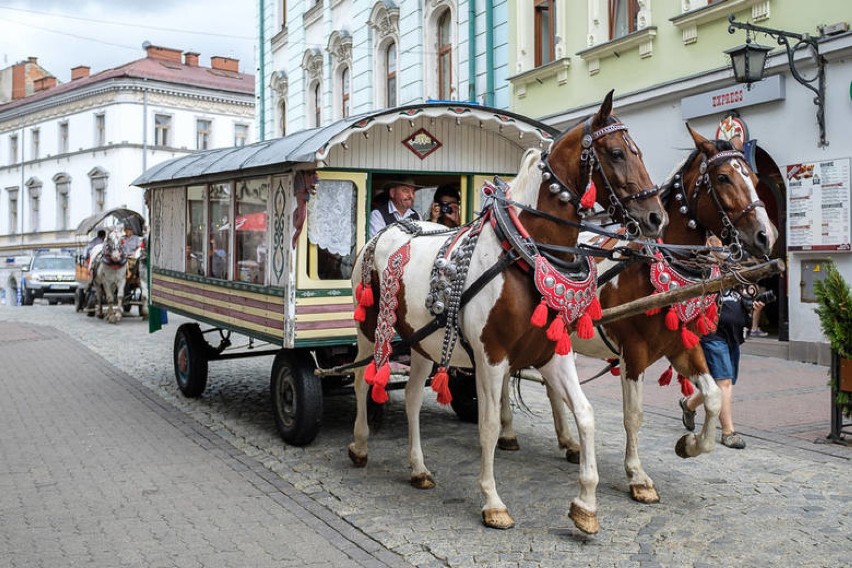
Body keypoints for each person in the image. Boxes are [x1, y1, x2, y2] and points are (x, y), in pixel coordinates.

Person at [679, 286, 750, 449]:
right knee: (723, 383)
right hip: (713, 336)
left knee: (720, 385)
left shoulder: (738, 282)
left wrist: (752, 307)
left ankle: (688, 405)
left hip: (733, 338)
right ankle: (728, 432)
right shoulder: (710, 276)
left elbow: (747, 318)